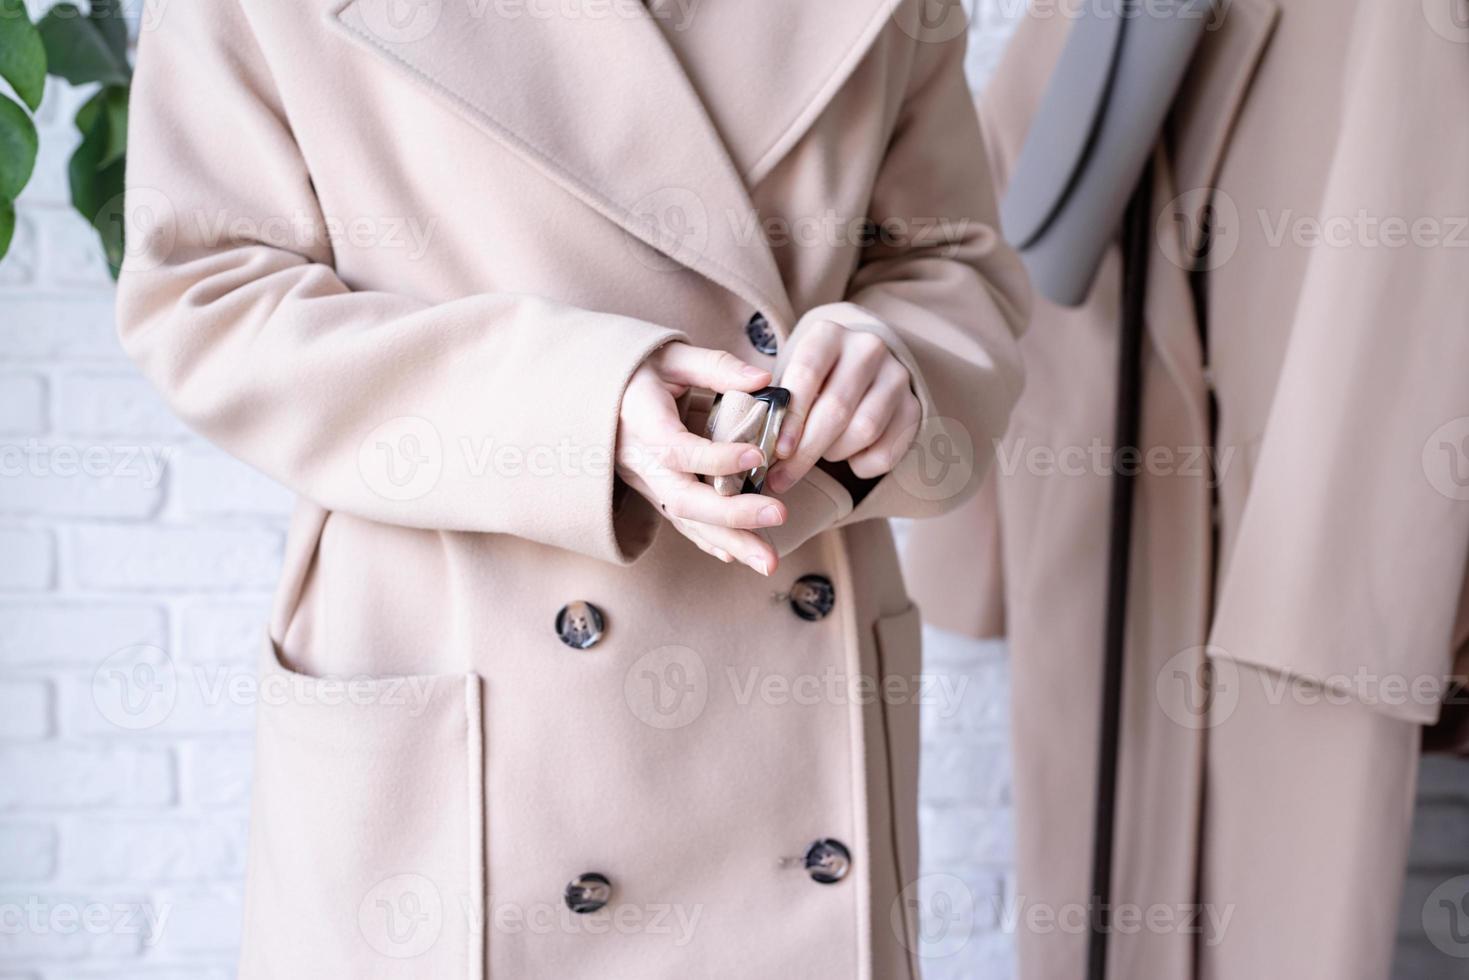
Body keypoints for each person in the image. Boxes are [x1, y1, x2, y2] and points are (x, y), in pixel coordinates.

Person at [115, 1, 1028, 977]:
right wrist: (573, 409)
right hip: (467, 670)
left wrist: (889, 362)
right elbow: (206, 296)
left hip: (781, 623)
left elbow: (948, 265)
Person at [903, 1, 1469, 978]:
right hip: (1111, 507)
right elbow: (1015, 174)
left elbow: (1420, 244)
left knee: (1283, 904)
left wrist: (1384, 603)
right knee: (1108, 870)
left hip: (1311, 539)